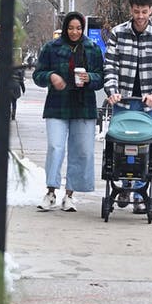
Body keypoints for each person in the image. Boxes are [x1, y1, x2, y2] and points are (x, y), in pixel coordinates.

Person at [104, 0, 152, 212]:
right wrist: (112, 91)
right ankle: (124, 187)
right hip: (123, 101)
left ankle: (141, 191)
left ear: (151, 11)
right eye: (136, 12)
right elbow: (110, 65)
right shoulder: (117, 33)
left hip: (147, 104)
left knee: (145, 148)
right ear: (131, 10)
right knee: (120, 147)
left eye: (144, 12)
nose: (140, 16)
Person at [32, 11, 104, 212]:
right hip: (58, 104)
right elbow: (38, 74)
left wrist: (90, 78)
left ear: (83, 29)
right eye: (71, 28)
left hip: (83, 105)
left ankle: (70, 194)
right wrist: (51, 76)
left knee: (81, 151)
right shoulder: (51, 48)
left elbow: (101, 77)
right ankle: (51, 191)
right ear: (65, 28)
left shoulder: (92, 48)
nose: (74, 32)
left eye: (79, 28)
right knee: (55, 147)